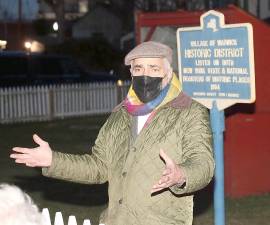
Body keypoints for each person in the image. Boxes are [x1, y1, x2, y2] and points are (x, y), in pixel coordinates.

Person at [10, 41, 215, 225]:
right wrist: (53, 161)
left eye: (153, 68)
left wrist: (181, 174)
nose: (145, 75)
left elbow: (203, 163)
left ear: (168, 74)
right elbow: (99, 166)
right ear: (132, 74)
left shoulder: (189, 111)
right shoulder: (120, 115)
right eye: (138, 68)